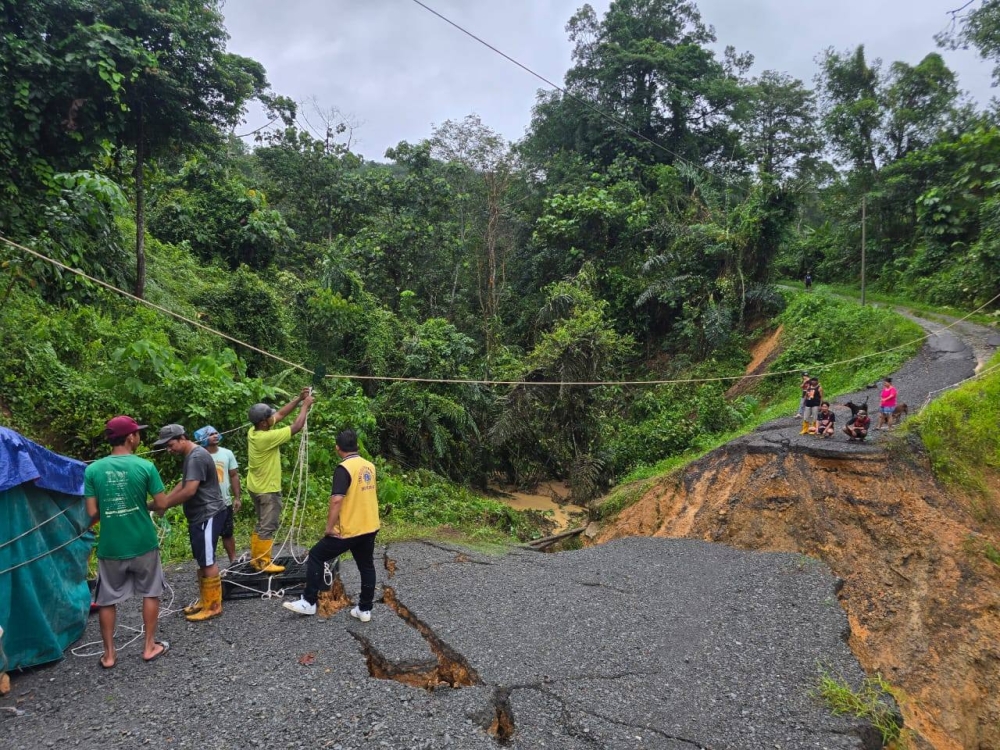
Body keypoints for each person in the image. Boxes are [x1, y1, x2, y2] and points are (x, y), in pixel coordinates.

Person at [84, 416, 170, 668]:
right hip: (143, 542)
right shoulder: (145, 466)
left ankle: (109, 655)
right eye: (137, 433)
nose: (139, 437)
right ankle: (149, 646)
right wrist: (143, 506)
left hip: (111, 546)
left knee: (107, 599)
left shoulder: (93, 470)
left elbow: (91, 513)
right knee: (151, 592)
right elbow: (163, 504)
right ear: (130, 437)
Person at [284, 429, 379, 622]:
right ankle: (364, 609)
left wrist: (329, 528)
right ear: (357, 446)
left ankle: (309, 601)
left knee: (317, 555)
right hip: (369, 525)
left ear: (338, 448)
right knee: (367, 566)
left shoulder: (344, 468)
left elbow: (337, 500)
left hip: (349, 529)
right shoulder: (369, 465)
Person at [151, 424, 229, 622]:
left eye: (170, 445)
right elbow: (184, 483)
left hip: (207, 512)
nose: (169, 450)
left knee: (208, 560)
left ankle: (213, 606)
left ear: (182, 438)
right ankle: (205, 600)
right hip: (198, 515)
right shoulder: (193, 455)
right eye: (166, 447)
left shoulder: (195, 456)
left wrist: (162, 503)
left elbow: (189, 491)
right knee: (202, 558)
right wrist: (165, 502)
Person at [246, 388, 315, 573]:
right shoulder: (266, 437)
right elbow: (296, 427)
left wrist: (298, 398)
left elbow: (281, 414)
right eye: (269, 416)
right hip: (267, 489)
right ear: (263, 422)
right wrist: (305, 407)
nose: (273, 416)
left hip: (255, 486)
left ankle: (256, 559)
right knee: (268, 525)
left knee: (261, 523)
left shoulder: (253, 431)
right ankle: (263, 562)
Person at [193, 425, 241, 565]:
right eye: (210, 434)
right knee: (209, 536)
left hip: (224, 502)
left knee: (228, 533)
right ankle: (210, 564)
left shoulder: (227, 453)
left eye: (216, 433)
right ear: (202, 438)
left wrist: (237, 497)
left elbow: (233, 475)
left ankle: (234, 562)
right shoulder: (198, 456)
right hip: (207, 504)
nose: (215, 435)